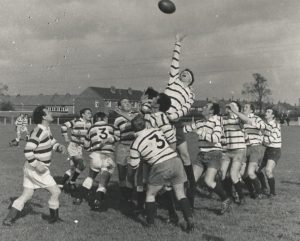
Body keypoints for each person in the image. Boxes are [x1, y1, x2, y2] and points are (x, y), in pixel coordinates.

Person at [128, 116, 194, 232]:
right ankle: (189, 220)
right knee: (180, 194)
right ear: (145, 124)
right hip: (175, 160)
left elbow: (134, 165)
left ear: (133, 129)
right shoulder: (156, 130)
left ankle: (150, 223)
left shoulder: (135, 144)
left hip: (160, 165)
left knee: (150, 194)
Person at [3, 105, 66, 226]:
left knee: (27, 195)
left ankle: (8, 219)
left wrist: (59, 147)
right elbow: (28, 150)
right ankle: (54, 219)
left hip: (30, 168)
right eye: (48, 112)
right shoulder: (39, 131)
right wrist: (37, 165)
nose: (51, 113)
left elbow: (51, 142)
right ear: (44, 117)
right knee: (56, 192)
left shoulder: (46, 129)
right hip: (37, 169)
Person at [164, 33, 196, 207]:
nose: (183, 74)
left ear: (190, 80)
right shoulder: (173, 81)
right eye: (183, 73)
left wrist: (174, 115)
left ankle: (191, 184)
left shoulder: (191, 93)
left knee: (184, 155)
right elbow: (174, 62)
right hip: (162, 122)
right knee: (168, 156)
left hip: (175, 122)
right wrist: (177, 43)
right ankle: (169, 193)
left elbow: (185, 108)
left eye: (187, 74)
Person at [183, 102, 231, 214]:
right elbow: (185, 130)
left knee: (208, 181)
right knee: (191, 181)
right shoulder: (200, 122)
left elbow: (215, 139)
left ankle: (226, 199)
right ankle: (190, 209)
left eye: (205, 107)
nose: (202, 108)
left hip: (214, 154)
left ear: (211, 111)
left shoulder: (217, 122)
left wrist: (200, 133)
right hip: (201, 155)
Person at [73, 112, 119, 210]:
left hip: (96, 156)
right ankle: (97, 201)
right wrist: (109, 140)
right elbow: (118, 137)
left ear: (96, 119)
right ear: (105, 118)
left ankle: (78, 198)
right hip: (108, 156)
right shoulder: (111, 127)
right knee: (103, 182)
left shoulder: (91, 128)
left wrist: (93, 148)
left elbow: (86, 146)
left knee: (90, 177)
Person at [229, 103, 266, 198]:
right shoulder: (240, 119)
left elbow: (263, 127)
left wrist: (251, 123)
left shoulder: (257, 118)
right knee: (243, 175)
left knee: (250, 172)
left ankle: (259, 193)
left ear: (252, 110)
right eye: (243, 107)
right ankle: (252, 192)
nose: (244, 108)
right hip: (245, 148)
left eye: (246, 107)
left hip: (255, 148)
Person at [221, 102, 247, 204]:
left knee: (233, 174)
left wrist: (235, 111)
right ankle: (229, 196)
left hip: (239, 150)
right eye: (228, 106)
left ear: (237, 108)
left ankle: (241, 197)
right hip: (227, 150)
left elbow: (247, 120)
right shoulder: (223, 119)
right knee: (222, 174)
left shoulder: (239, 119)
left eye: (232, 106)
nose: (229, 108)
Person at [60, 108, 92, 190]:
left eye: (90, 113)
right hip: (73, 146)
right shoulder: (76, 121)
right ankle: (72, 182)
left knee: (73, 168)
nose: (90, 115)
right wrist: (66, 137)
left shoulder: (90, 124)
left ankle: (61, 184)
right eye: (88, 113)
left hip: (80, 148)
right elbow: (63, 126)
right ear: (83, 115)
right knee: (82, 165)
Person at [113, 99, 138, 203]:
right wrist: (136, 125)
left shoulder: (137, 114)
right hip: (123, 147)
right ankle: (124, 196)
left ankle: (129, 196)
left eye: (128, 102)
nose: (127, 103)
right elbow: (122, 130)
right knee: (122, 174)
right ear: (119, 107)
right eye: (124, 102)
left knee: (131, 173)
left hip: (134, 147)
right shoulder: (118, 118)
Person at [257, 108, 281, 197]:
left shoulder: (275, 125)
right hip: (267, 150)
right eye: (266, 111)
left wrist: (260, 137)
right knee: (256, 170)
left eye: (268, 112)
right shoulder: (266, 124)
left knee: (268, 170)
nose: (266, 113)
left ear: (273, 115)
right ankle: (264, 187)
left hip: (275, 151)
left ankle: (272, 193)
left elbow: (270, 140)